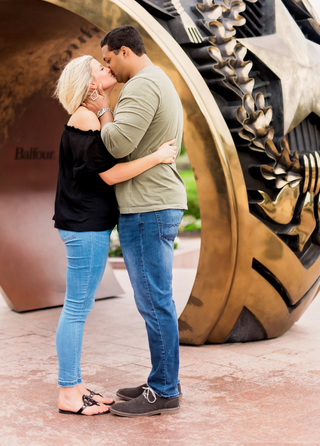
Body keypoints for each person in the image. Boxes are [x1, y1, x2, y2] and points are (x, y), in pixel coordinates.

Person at [53, 54, 177, 416]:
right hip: (84, 226)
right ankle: (67, 393)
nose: (107, 70)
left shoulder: (91, 115)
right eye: (100, 69)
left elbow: (106, 155)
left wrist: (106, 108)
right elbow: (110, 174)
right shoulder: (83, 117)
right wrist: (157, 156)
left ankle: (75, 385)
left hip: (85, 224)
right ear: (90, 83)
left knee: (79, 307)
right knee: (76, 309)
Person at [84, 24, 187, 417]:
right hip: (153, 204)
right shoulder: (157, 79)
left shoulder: (143, 84)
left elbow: (117, 143)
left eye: (109, 59)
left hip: (147, 207)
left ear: (125, 51)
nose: (109, 67)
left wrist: (104, 110)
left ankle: (163, 390)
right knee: (156, 299)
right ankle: (164, 380)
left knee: (154, 301)